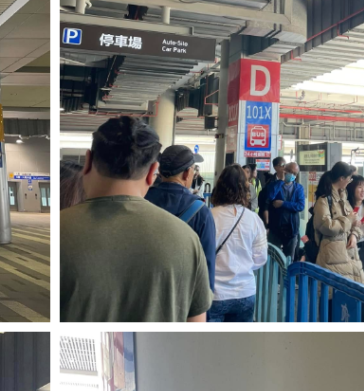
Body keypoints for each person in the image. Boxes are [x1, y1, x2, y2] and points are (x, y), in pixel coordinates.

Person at [60, 115, 212, 322]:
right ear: (152, 173)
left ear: (87, 161)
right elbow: (196, 325)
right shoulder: (187, 239)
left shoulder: (60, 230)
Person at [145, 144, 215, 290]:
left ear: (160, 171)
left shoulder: (141, 200)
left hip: (144, 294)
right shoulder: (201, 212)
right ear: (187, 173)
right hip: (183, 297)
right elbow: (207, 266)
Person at [207, 164, 267, 321]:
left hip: (215, 293)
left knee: (210, 344)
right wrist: (242, 265)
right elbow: (260, 258)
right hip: (245, 292)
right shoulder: (253, 219)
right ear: (245, 189)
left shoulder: (208, 217)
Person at [312, 162, 364, 284]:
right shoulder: (324, 201)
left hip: (349, 254)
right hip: (332, 256)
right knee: (334, 296)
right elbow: (326, 226)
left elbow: (355, 222)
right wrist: (348, 220)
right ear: (342, 178)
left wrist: (354, 235)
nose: (349, 181)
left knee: (350, 295)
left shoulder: (344, 199)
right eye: (349, 179)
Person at [262, 160, 305, 260]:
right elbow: (270, 197)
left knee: (289, 258)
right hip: (275, 229)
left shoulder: (298, 188)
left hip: (291, 230)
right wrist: (281, 181)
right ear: (284, 170)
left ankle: (286, 276)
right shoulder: (274, 185)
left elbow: (300, 206)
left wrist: (282, 204)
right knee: (273, 258)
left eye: (294, 173)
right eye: (290, 171)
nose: (292, 174)